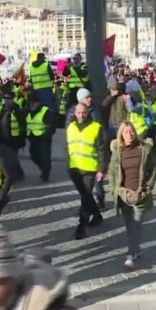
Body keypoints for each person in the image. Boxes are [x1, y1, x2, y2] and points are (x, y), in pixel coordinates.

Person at [108, 121, 156, 270]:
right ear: (121, 135)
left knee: (136, 224)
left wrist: (147, 188)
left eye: (131, 131)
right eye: (126, 132)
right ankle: (135, 248)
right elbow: (112, 171)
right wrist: (114, 190)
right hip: (124, 194)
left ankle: (130, 255)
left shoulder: (144, 149)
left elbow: (153, 169)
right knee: (129, 225)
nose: (129, 135)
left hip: (140, 194)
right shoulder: (117, 151)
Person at [66, 102, 108, 240]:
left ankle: (81, 226)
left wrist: (102, 169)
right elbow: (68, 147)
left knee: (86, 196)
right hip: (74, 168)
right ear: (75, 112)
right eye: (78, 112)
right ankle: (97, 215)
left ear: (88, 112)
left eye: (83, 112)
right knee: (86, 196)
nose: (81, 115)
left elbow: (102, 150)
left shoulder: (96, 127)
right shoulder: (70, 126)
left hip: (90, 168)